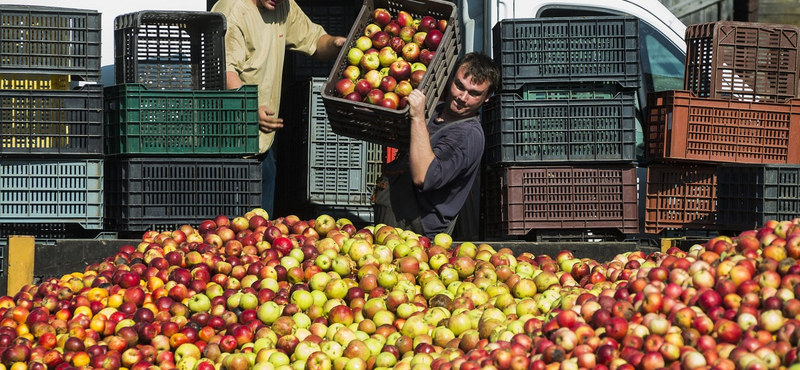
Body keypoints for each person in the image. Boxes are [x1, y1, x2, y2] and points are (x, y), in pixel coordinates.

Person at [211, 0, 346, 217]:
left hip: (262, 140)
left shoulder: (283, 7)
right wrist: (249, 108)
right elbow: (224, 72)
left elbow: (314, 41)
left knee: (261, 231)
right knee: (231, 230)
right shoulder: (233, 10)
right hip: (229, 141)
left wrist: (337, 43)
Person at [373, 52, 501, 239]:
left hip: (417, 236)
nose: (462, 97)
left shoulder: (467, 135)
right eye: (459, 86)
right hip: (393, 221)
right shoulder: (436, 109)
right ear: (451, 79)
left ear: (487, 96)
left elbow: (424, 177)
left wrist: (417, 118)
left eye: (474, 93)